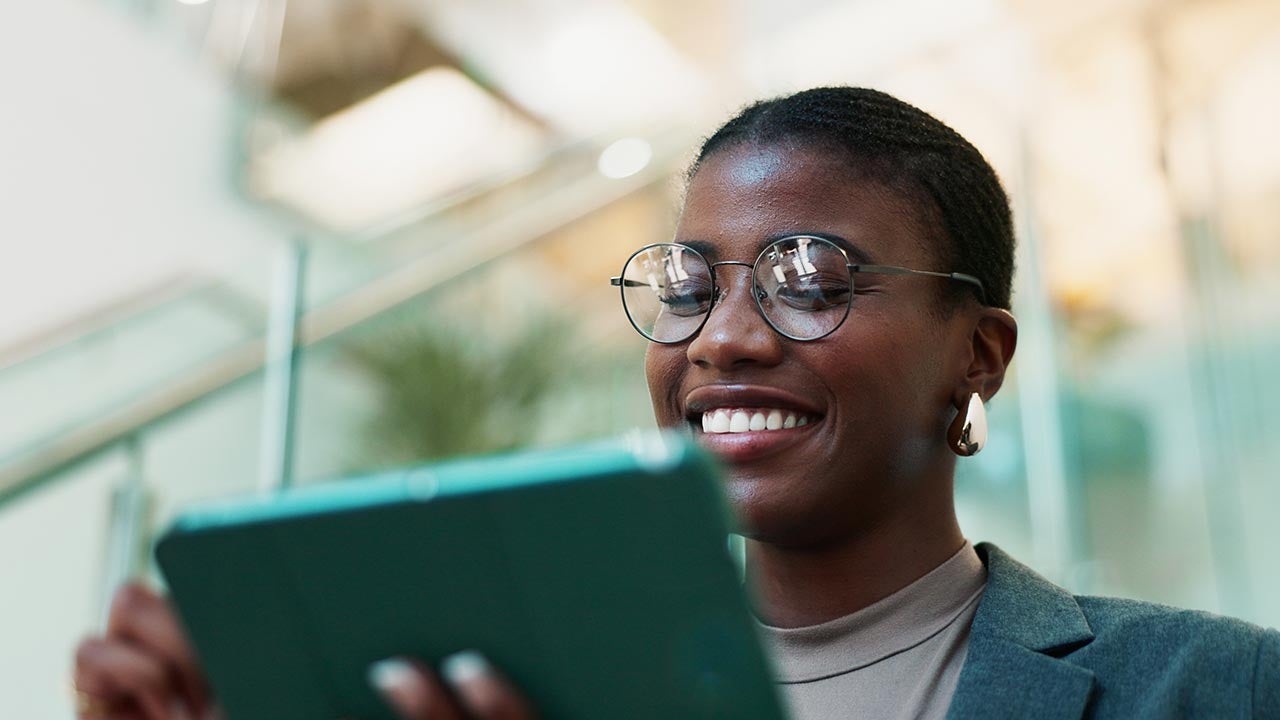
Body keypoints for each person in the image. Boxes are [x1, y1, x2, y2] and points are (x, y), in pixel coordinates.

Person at [73, 87, 1279, 720]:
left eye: (810, 278)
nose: (725, 338)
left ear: (979, 350)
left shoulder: (1214, 691)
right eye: (687, 284)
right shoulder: (512, 691)